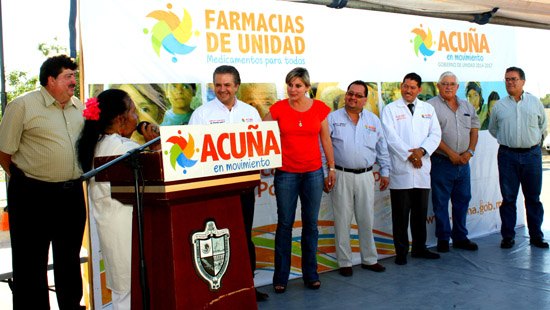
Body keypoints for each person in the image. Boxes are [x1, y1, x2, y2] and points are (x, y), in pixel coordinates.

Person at [0, 55, 86, 309]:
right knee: (30, 263)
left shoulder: (78, 106)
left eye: (74, 75)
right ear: (50, 79)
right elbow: (4, 152)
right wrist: (25, 182)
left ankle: (71, 306)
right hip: (32, 194)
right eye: (68, 76)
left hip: (70, 194)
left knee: (69, 259)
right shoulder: (23, 106)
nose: (74, 81)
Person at [188, 65, 268, 302]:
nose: (222, 90)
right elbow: (193, 152)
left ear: (236, 86)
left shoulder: (250, 113)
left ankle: (248, 286)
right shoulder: (201, 114)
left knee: (244, 235)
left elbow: (259, 147)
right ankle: (220, 289)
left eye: (227, 85)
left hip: (244, 186)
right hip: (215, 189)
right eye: (218, 84)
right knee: (218, 238)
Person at [76, 89, 159, 310]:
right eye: (133, 112)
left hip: (112, 226)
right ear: (120, 118)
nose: (137, 118)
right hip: (126, 229)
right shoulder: (123, 148)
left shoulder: (98, 143)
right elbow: (161, 173)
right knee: (130, 289)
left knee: (123, 288)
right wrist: (157, 148)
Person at [263, 67, 336, 292]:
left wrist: (331, 168)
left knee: (311, 225)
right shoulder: (277, 109)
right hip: (286, 174)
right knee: (285, 225)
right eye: (290, 85)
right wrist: (268, 160)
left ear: (307, 87)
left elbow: (326, 140)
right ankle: (281, 278)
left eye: (298, 85)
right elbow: (260, 134)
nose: (292, 89)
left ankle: (310, 274)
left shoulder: (320, 109)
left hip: (313, 173)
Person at [324, 80, 390, 276]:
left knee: (366, 219)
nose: (352, 97)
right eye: (350, 93)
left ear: (365, 99)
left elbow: (382, 148)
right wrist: (326, 172)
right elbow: (323, 149)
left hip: (366, 175)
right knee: (342, 219)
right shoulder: (332, 118)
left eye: (357, 95)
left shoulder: (373, 120)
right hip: (341, 175)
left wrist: (385, 171)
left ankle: (369, 259)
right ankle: (345, 263)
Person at [381, 72, 441, 265]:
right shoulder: (390, 109)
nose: (408, 90)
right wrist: (410, 155)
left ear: (419, 90)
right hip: (401, 169)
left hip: (421, 168)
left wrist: (421, 152)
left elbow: (435, 134)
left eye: (413, 87)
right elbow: (390, 138)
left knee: (420, 213)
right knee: (400, 215)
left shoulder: (428, 109)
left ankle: (420, 248)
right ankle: (401, 252)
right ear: (401, 86)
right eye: (406, 86)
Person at [488, 67, 548, 249]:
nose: (510, 82)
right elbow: (493, 129)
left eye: (513, 79)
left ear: (523, 81)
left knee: (533, 198)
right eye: (507, 79)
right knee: (508, 198)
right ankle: (508, 236)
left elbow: (542, 127)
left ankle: (536, 236)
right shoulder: (499, 105)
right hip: (508, 155)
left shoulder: (535, 102)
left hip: (532, 155)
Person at [428, 72, 480, 253]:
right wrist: (450, 153)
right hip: (442, 162)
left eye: (452, 84)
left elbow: (474, 129)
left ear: (457, 87)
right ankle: (443, 238)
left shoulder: (466, 105)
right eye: (444, 83)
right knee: (441, 201)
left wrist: (470, 152)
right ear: (438, 86)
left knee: (462, 200)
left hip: (463, 163)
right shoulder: (429, 107)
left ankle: (460, 237)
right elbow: (431, 136)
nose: (448, 87)